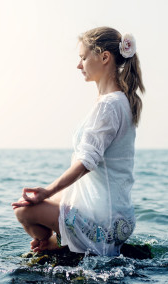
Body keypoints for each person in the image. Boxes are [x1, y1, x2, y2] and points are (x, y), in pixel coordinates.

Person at [12, 26, 145, 256]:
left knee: (24, 212)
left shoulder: (108, 105)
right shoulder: (120, 100)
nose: (79, 65)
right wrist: (51, 197)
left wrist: (47, 191)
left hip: (102, 221)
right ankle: (56, 241)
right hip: (119, 217)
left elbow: (86, 162)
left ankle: (51, 243)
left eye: (83, 58)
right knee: (38, 204)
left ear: (104, 57)